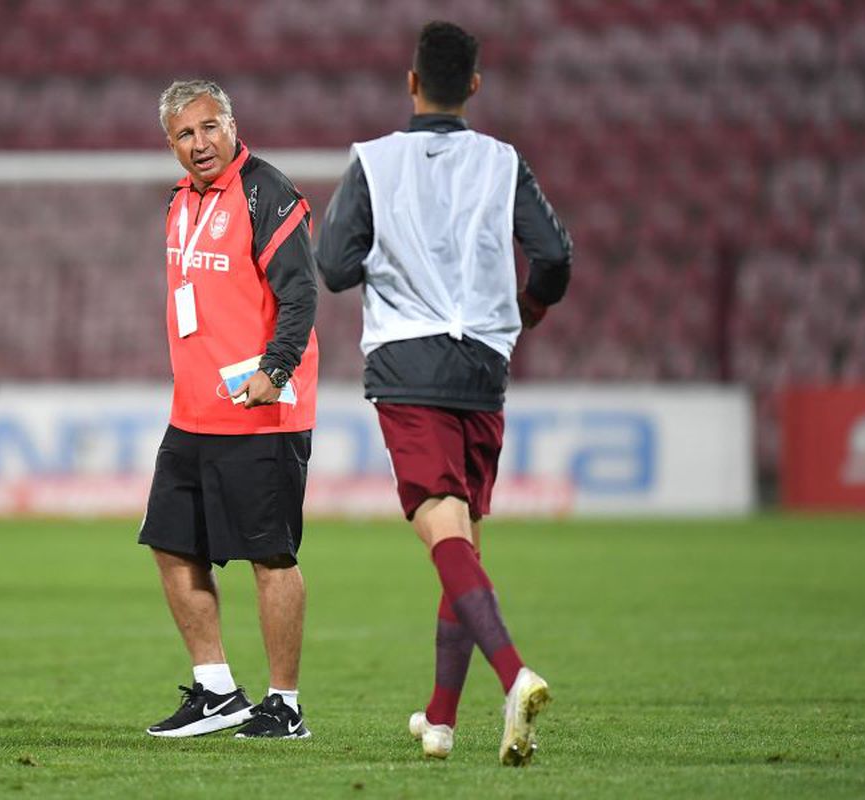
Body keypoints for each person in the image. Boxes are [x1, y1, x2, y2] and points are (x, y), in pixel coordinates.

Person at [315, 21, 573, 765]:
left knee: (441, 531)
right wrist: (532, 307)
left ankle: (513, 673)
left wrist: (396, 265)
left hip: (407, 360)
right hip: (482, 365)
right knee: (463, 535)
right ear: (475, 88)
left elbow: (333, 265)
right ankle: (440, 719)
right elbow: (554, 254)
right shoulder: (503, 162)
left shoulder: (375, 161)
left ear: (411, 81)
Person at [140, 80, 318, 740]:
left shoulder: (268, 193)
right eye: (185, 134)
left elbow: (300, 297)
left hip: (259, 410)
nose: (200, 143)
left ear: (232, 125)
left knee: (269, 557)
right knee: (170, 542)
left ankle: (286, 705)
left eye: (209, 127)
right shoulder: (178, 202)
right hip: (191, 413)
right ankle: (217, 691)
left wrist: (276, 370)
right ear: (171, 146)